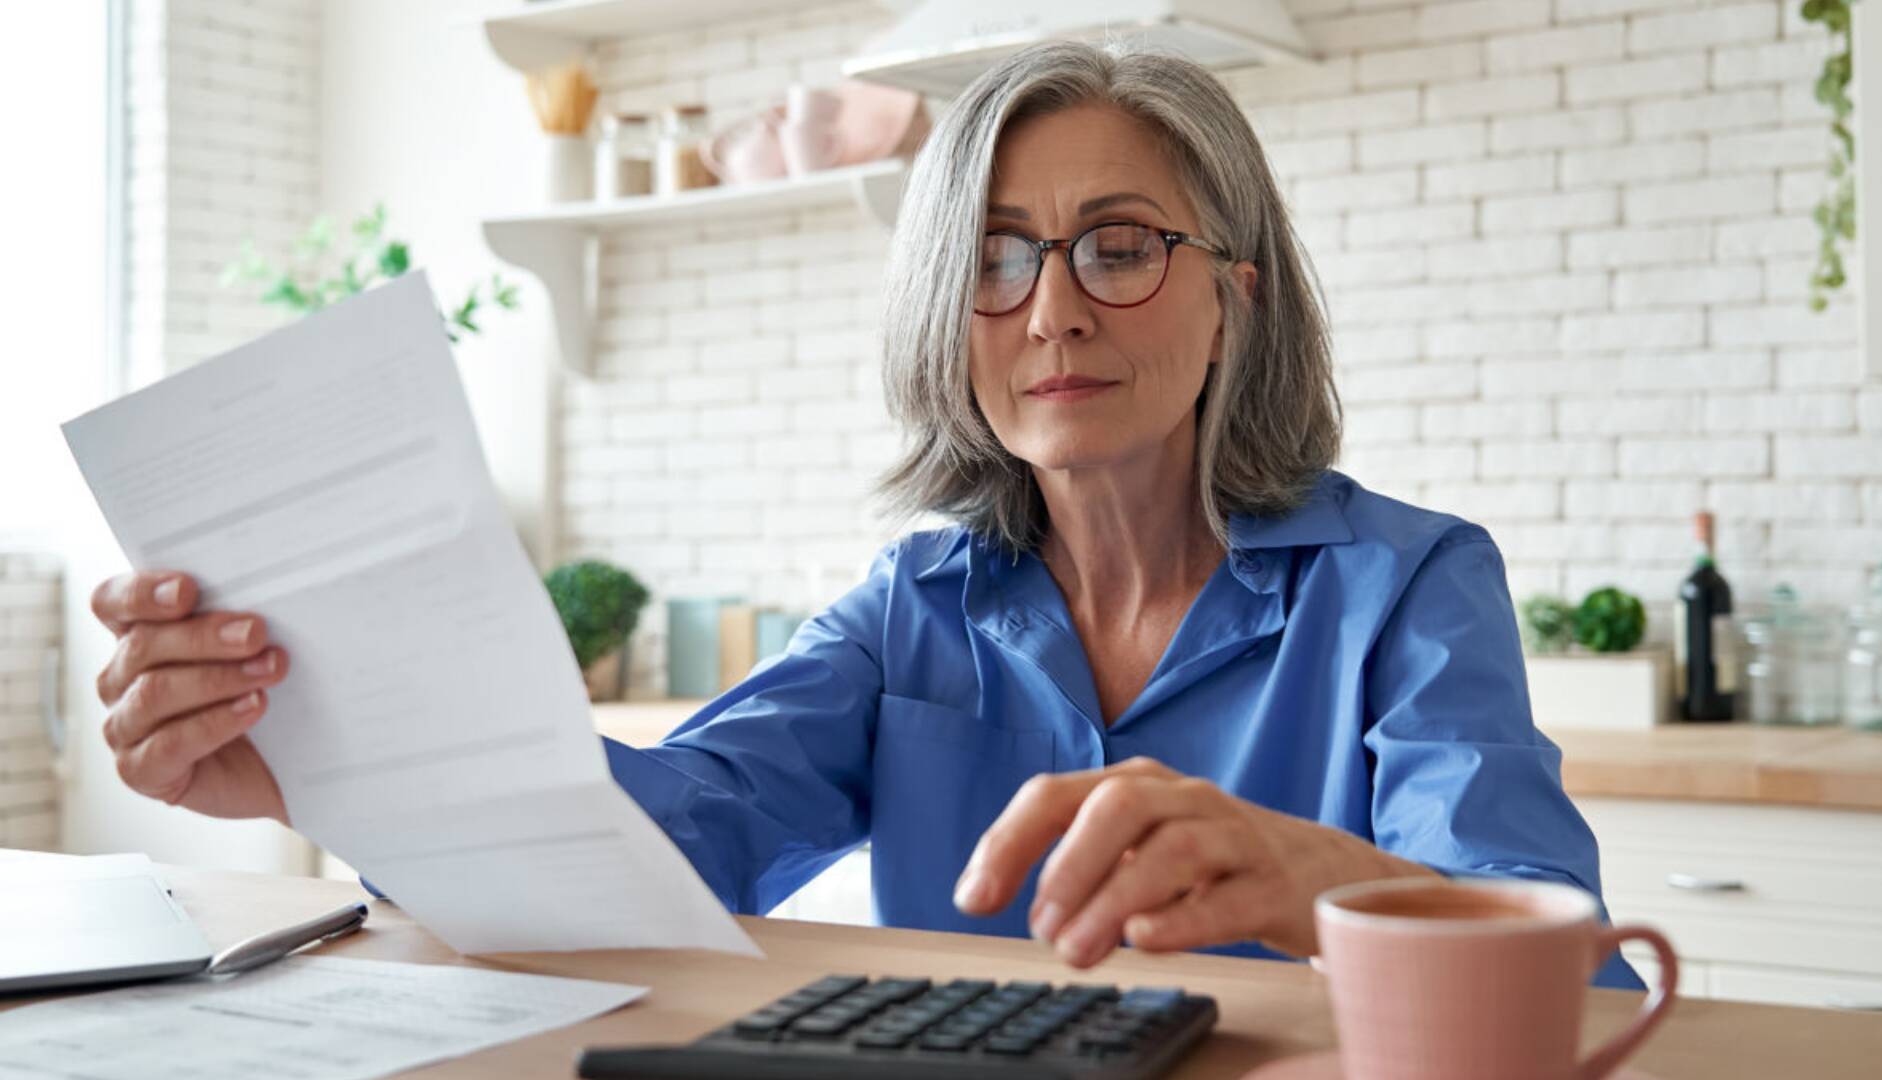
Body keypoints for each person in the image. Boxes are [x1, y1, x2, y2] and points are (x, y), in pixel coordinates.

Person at [88, 42, 1642, 988]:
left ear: (1232, 299)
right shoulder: (915, 609)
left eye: (1117, 246)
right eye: (994, 255)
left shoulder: (1407, 588)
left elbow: (1558, 953)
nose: (1050, 312)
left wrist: (1309, 878)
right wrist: (326, 762)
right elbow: (663, 844)